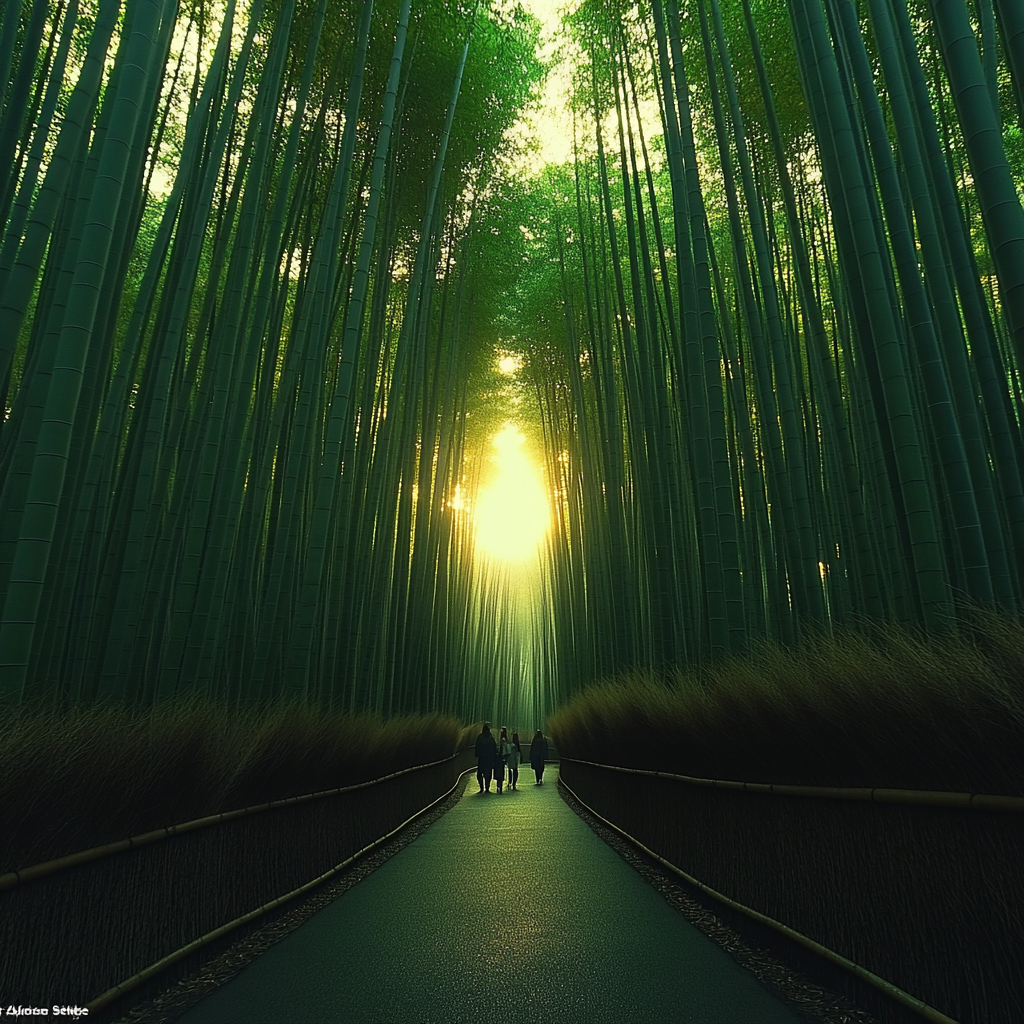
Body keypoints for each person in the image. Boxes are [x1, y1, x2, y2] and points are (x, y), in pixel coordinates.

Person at [475, 722, 497, 793]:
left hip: (482, 758)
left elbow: (477, 747)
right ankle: (487, 787)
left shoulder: (480, 737)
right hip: (489, 758)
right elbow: (494, 748)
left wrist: (477, 754)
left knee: (480, 773)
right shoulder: (491, 738)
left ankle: (482, 787)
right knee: (488, 773)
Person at [495, 726, 509, 793]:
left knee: (499, 771)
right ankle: (499, 786)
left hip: (499, 758)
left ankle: (498, 786)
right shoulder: (506, 739)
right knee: (501, 772)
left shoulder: (502, 740)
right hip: (502, 758)